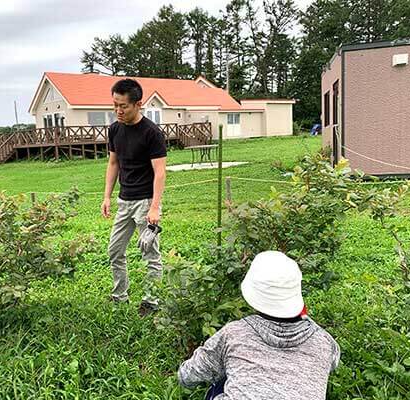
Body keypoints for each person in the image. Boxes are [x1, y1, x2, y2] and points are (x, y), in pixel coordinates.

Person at [178, 251, 340, 400]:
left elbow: (188, 376)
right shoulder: (324, 342)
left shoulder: (234, 334)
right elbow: (332, 363)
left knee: (221, 378)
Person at [101, 78, 167, 317]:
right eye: (115, 105)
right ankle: (120, 296)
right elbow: (113, 162)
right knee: (114, 250)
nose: (118, 110)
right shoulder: (114, 129)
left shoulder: (152, 133)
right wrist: (107, 196)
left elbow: (160, 172)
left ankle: (151, 301)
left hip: (145, 202)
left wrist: (155, 207)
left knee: (150, 253)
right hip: (124, 201)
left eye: (123, 106)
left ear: (138, 104)